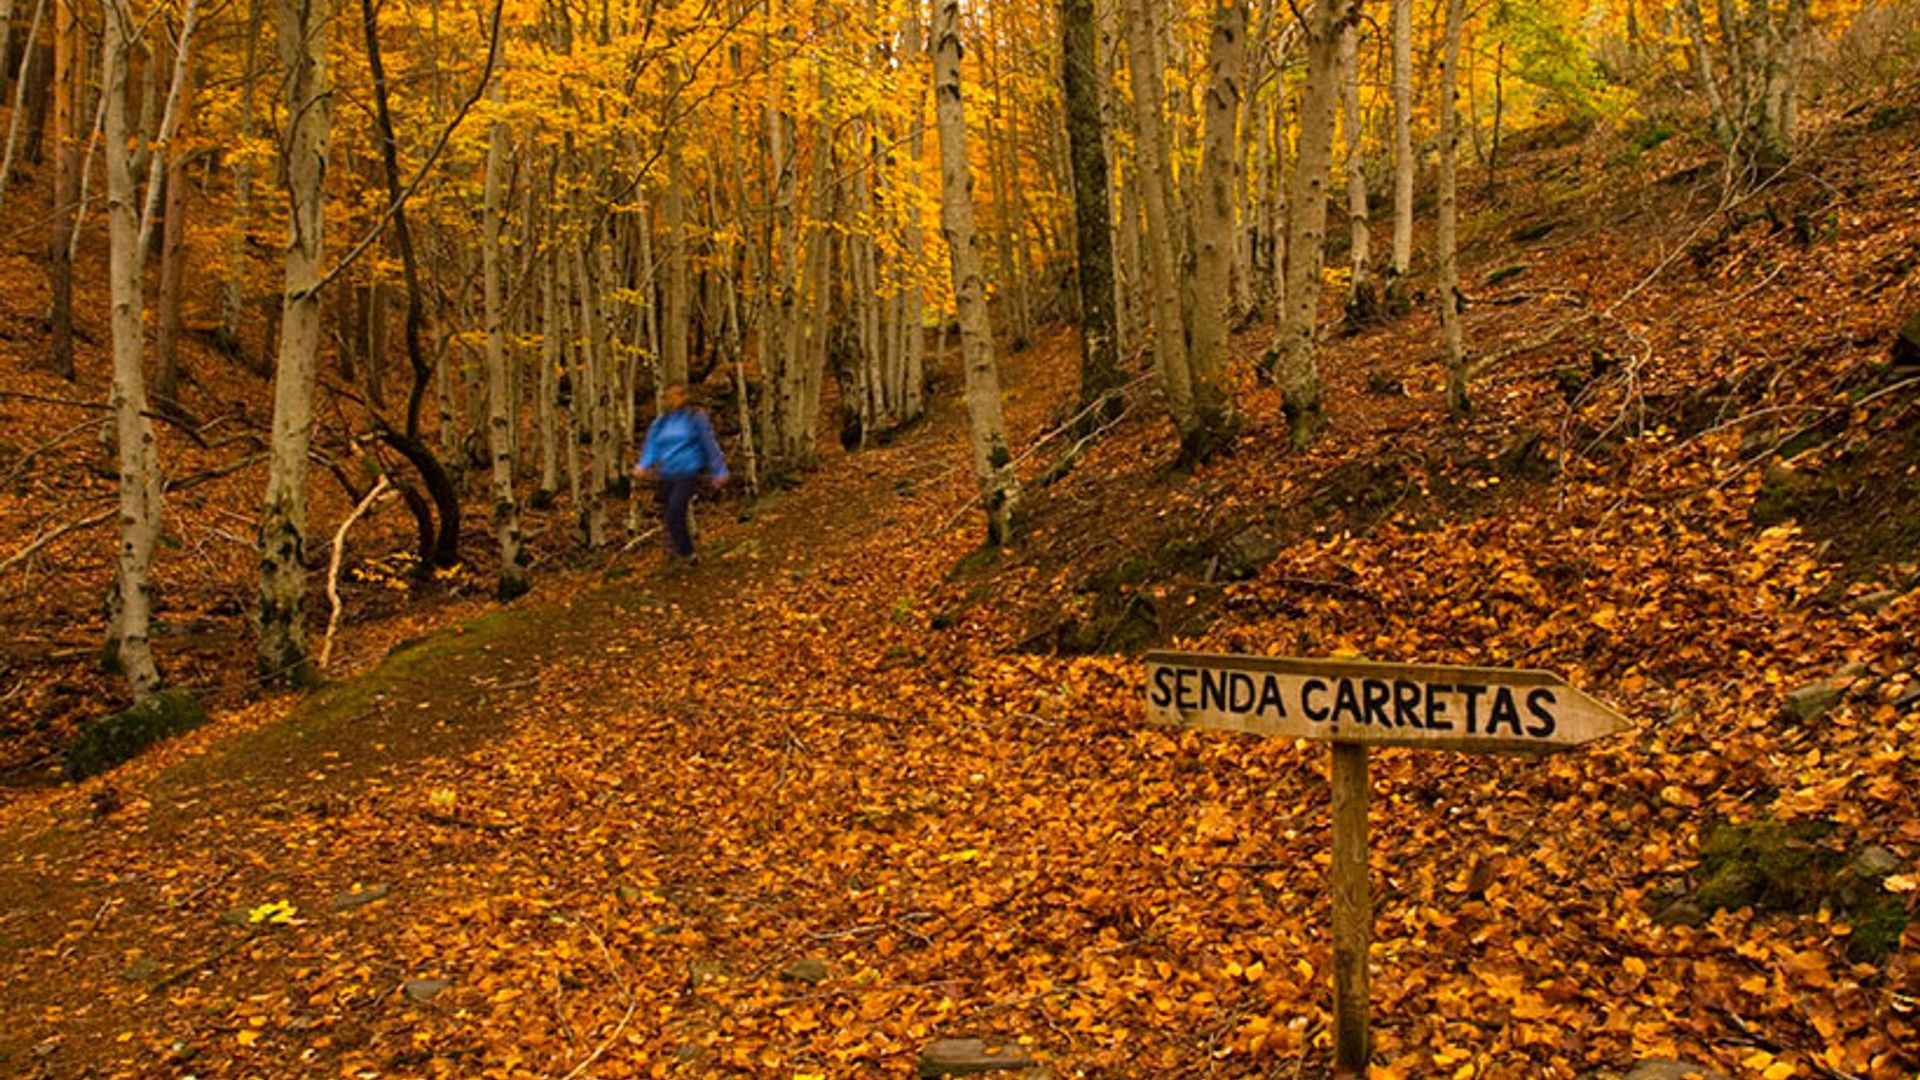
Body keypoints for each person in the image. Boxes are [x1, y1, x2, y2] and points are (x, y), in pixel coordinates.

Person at [634, 382, 728, 563]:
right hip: (666, 474)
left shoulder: (695, 418)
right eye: (669, 396)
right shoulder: (661, 422)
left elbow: (708, 444)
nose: (673, 399)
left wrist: (719, 470)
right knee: (670, 516)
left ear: (685, 396)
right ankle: (675, 553)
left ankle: (688, 553)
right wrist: (643, 464)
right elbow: (652, 445)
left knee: (675, 511)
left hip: (687, 473)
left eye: (677, 395)